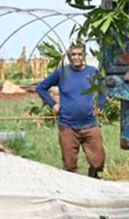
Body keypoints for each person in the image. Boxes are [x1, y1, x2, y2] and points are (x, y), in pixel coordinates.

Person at [36, 43, 106, 177]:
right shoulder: (62, 73)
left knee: (98, 161)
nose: (76, 57)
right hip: (67, 126)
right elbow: (41, 88)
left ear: (84, 55)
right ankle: (72, 191)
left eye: (79, 54)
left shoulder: (92, 72)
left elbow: (103, 89)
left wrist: (100, 105)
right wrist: (53, 104)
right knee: (69, 166)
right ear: (69, 56)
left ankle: (94, 177)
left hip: (89, 124)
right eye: (73, 54)